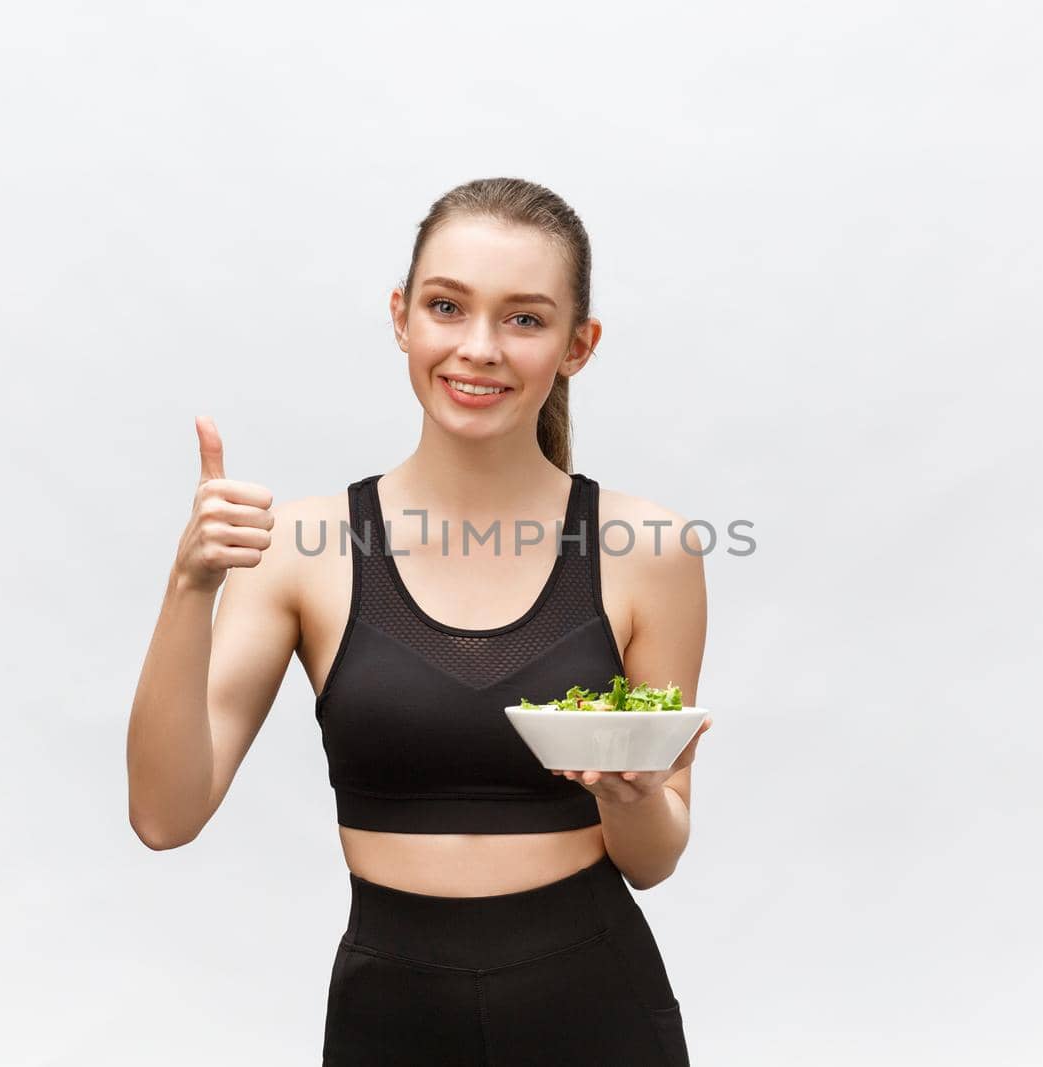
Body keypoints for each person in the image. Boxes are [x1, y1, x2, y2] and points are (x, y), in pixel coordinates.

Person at [126, 176, 713, 1065]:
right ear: (401, 317)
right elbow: (164, 816)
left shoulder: (649, 548)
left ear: (577, 346)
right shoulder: (302, 547)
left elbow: (653, 856)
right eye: (447, 306)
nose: (479, 348)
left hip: (595, 1010)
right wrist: (190, 587)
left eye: (524, 318)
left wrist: (631, 795)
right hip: (388, 1019)